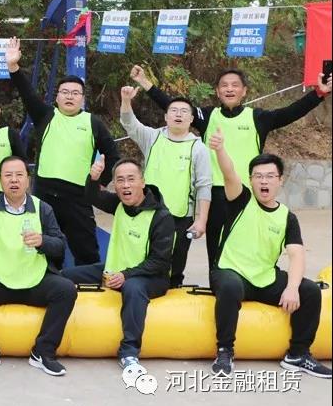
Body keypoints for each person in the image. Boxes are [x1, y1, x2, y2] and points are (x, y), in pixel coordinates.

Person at [130, 66, 332, 268]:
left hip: (246, 195)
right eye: (224, 85)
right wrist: (145, 83)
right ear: (217, 92)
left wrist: (318, 94)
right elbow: (175, 107)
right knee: (215, 252)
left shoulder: (258, 118)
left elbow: (290, 113)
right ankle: (217, 281)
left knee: (248, 249)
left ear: (244, 91)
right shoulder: (207, 116)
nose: (229, 89)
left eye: (235, 85)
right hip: (215, 195)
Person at [207, 136, 330, 378]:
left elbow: (296, 254)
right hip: (230, 271)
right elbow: (229, 173)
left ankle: (298, 354)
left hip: (265, 277)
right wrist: (220, 149)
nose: (264, 181)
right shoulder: (241, 200)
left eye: (270, 176)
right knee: (230, 287)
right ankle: (224, 351)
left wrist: (292, 288)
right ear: (251, 180)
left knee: (309, 291)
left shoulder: (287, 217)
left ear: (280, 180)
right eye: (258, 176)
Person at [6, 37, 119, 265]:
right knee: (46, 253)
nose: (69, 96)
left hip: (78, 197)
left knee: (87, 254)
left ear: (82, 98)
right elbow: (27, 94)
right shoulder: (46, 116)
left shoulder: (93, 123)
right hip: (45, 197)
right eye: (64, 92)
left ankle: (86, 284)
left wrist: (100, 182)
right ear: (56, 97)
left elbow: (113, 155)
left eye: (75, 93)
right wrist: (13, 66)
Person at [0, 156, 77, 376]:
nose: (14, 180)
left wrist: (42, 241)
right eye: (8, 175)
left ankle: (43, 352)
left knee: (66, 289)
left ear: (28, 180)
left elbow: (60, 246)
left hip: (34, 280)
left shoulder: (43, 208)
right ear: (0, 180)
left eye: (19, 175)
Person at [61, 156, 173, 375]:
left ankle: (129, 352)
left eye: (131, 179)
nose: (125, 185)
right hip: (113, 271)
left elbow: (160, 261)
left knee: (133, 288)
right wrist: (93, 178)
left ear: (143, 181)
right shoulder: (119, 204)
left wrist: (126, 275)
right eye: (120, 180)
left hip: (151, 277)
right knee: (65, 275)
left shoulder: (161, 217)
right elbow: (92, 196)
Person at [120, 86, 211, 287]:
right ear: (166, 117)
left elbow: (204, 185)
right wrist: (126, 100)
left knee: (174, 268)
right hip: (147, 213)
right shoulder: (152, 138)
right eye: (174, 110)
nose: (178, 114)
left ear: (191, 119)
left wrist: (201, 220)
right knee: (143, 261)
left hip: (180, 217)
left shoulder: (199, 148)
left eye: (184, 111)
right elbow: (129, 123)